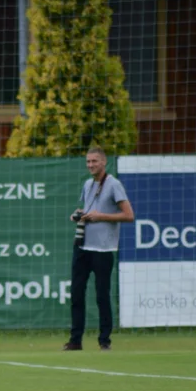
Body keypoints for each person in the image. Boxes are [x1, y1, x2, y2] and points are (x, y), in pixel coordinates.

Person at [64, 147, 134, 351]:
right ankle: (75, 341)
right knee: (77, 294)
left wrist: (100, 216)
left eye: (94, 161)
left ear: (104, 163)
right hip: (82, 246)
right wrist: (79, 214)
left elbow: (129, 215)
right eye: (88, 161)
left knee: (102, 295)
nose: (90, 165)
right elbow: (89, 210)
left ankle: (105, 341)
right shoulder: (87, 184)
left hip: (103, 250)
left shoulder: (114, 185)